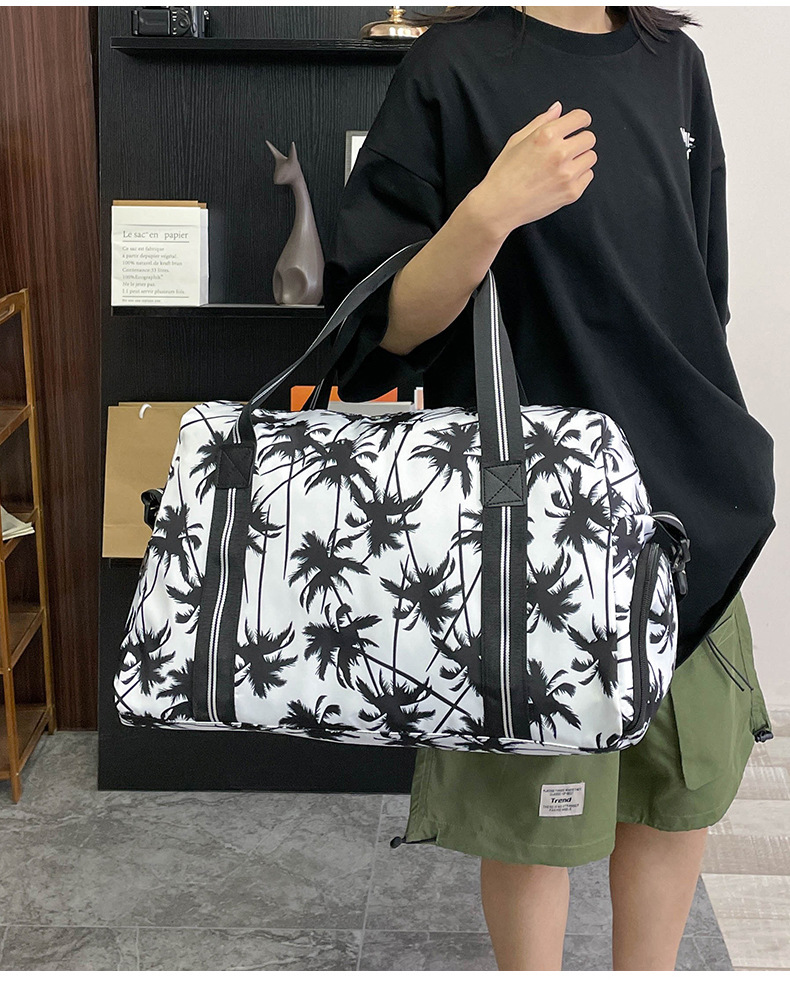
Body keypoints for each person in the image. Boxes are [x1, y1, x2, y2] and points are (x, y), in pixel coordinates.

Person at [322, 5, 776, 971]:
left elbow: (704, 292)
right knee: (536, 815)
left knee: (676, 789)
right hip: (525, 523)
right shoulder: (452, 67)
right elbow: (382, 331)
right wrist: (490, 210)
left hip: (684, 505)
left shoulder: (673, 62)